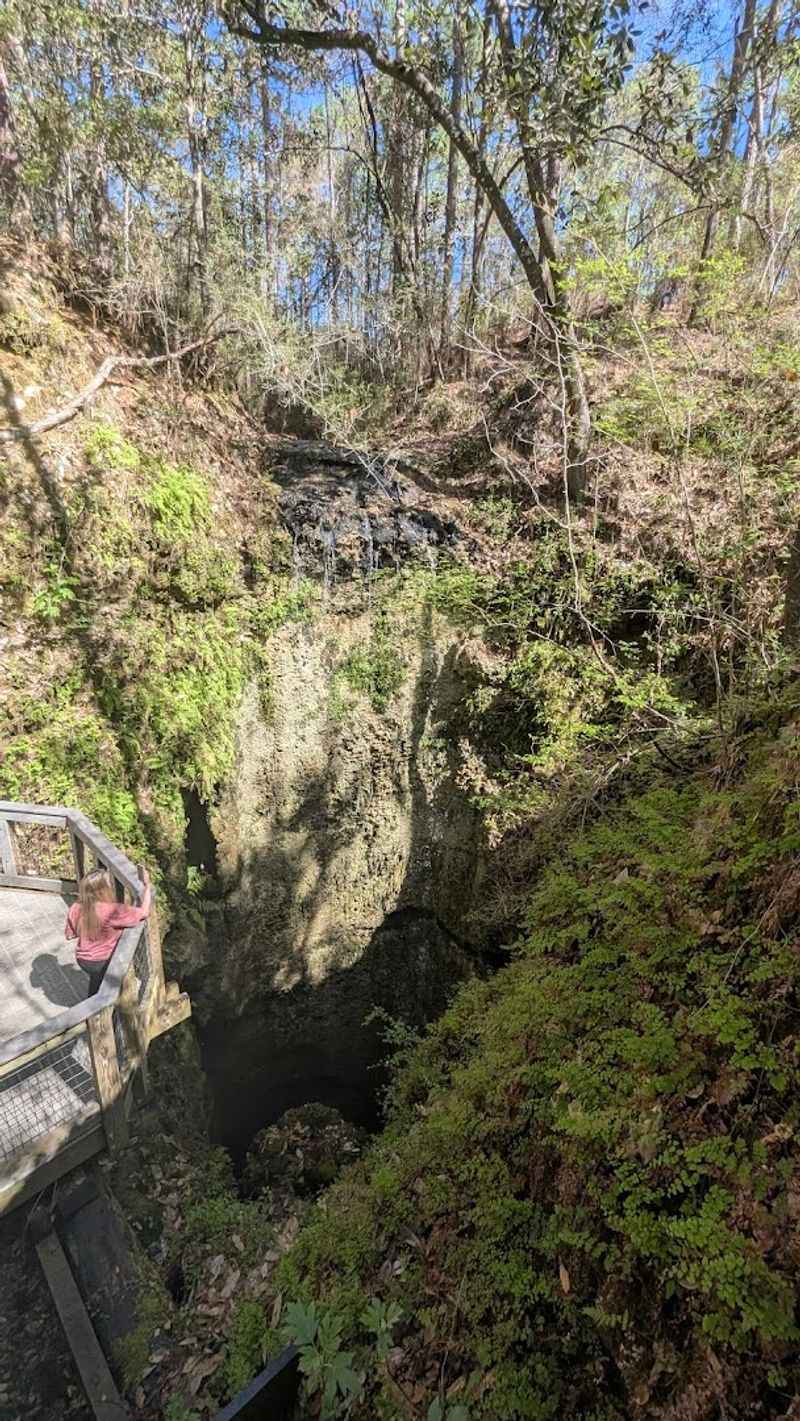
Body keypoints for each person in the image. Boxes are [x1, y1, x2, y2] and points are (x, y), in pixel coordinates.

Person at [65, 866, 152, 998]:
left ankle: (92, 1008)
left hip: (82, 960)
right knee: (116, 987)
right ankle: (109, 1010)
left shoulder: (76, 907)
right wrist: (147, 885)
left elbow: (70, 935)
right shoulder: (112, 911)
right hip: (102, 961)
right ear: (104, 890)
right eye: (109, 885)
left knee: (96, 980)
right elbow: (144, 912)